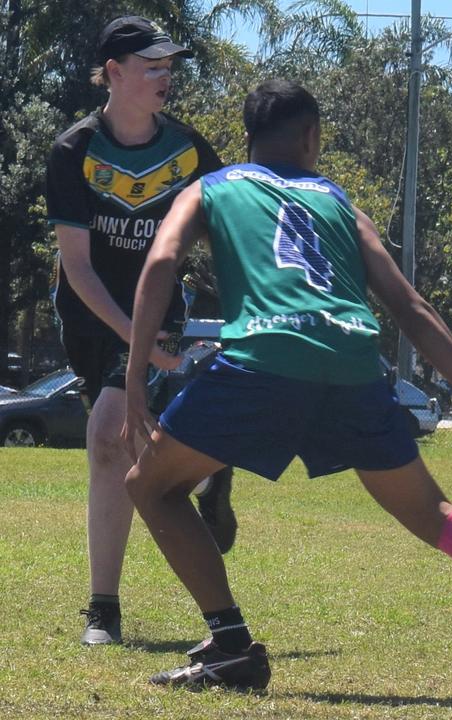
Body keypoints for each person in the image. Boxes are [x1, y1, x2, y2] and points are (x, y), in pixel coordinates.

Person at [119, 80, 452, 703]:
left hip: (264, 361)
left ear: (246, 138)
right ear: (311, 138)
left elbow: (161, 264)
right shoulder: (336, 200)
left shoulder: (212, 188)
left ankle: (230, 645)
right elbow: (411, 308)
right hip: (353, 366)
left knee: (150, 483)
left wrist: (135, 374)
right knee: (433, 513)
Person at [45, 15, 234, 646]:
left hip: (158, 308)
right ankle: (207, 472)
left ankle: (102, 609)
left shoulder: (188, 150)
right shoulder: (74, 151)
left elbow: (234, 221)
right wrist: (131, 338)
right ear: (114, 74)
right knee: (124, 442)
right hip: (89, 309)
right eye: (151, 66)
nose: (165, 76)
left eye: (169, 66)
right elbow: (77, 266)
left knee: (105, 436)